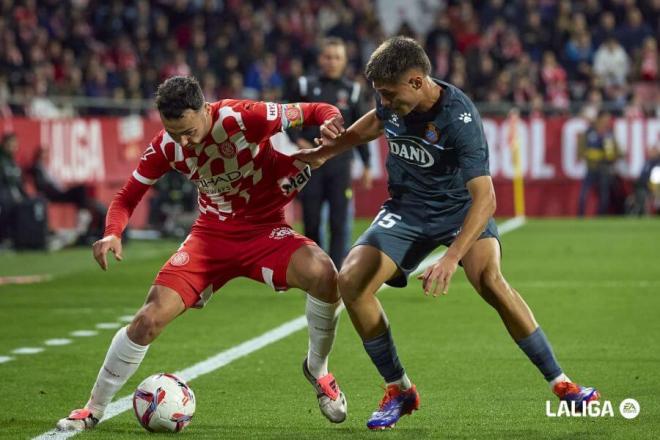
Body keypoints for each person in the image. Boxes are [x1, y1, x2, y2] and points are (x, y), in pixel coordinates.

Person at [296, 36, 599, 430]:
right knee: (351, 281)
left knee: (489, 279)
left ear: (418, 82)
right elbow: (374, 123)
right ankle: (399, 390)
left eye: (389, 94)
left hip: (460, 211)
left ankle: (563, 385)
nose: (384, 101)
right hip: (407, 209)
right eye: (380, 94)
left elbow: (485, 199)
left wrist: (452, 257)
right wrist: (326, 151)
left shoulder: (459, 119)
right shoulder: (390, 98)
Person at [56, 76, 348, 431]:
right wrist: (112, 233)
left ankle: (318, 369)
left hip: (265, 230)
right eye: (173, 131)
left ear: (205, 109)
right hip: (211, 236)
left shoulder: (244, 117)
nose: (183, 140)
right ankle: (93, 408)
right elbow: (126, 196)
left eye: (189, 131)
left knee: (326, 276)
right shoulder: (167, 145)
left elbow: (315, 111)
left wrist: (332, 119)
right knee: (147, 320)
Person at [287, 37, 372, 268]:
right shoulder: (304, 86)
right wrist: (299, 141)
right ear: (319, 59)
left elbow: (362, 129)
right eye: (328, 57)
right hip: (311, 165)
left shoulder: (353, 91)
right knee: (311, 220)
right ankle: (316, 269)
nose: (332, 62)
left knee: (339, 222)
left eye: (337, 57)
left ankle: (335, 272)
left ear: (344, 61)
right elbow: (288, 119)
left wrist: (366, 165)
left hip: (340, 164)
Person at [28, 146, 107, 245]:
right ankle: (83, 217)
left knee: (82, 193)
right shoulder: (37, 168)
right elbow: (41, 184)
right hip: (53, 194)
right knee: (81, 189)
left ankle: (85, 216)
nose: (45, 156)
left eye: (46, 154)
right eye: (43, 154)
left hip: (58, 191)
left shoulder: (46, 167)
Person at [577, 110, 621, 216]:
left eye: (608, 119)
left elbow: (616, 152)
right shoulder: (589, 132)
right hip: (591, 168)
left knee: (604, 196)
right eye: (605, 119)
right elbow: (581, 152)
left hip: (604, 169)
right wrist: (596, 155)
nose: (607, 121)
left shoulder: (609, 134)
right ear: (599, 119)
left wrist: (615, 155)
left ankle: (600, 217)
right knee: (583, 194)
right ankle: (580, 216)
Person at [0, 133, 27, 247]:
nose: (14, 147)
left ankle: (20, 238)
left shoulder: (13, 162)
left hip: (14, 197)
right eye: (11, 144)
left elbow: (19, 185)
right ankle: (4, 238)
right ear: (4, 144)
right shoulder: (2, 161)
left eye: (15, 144)